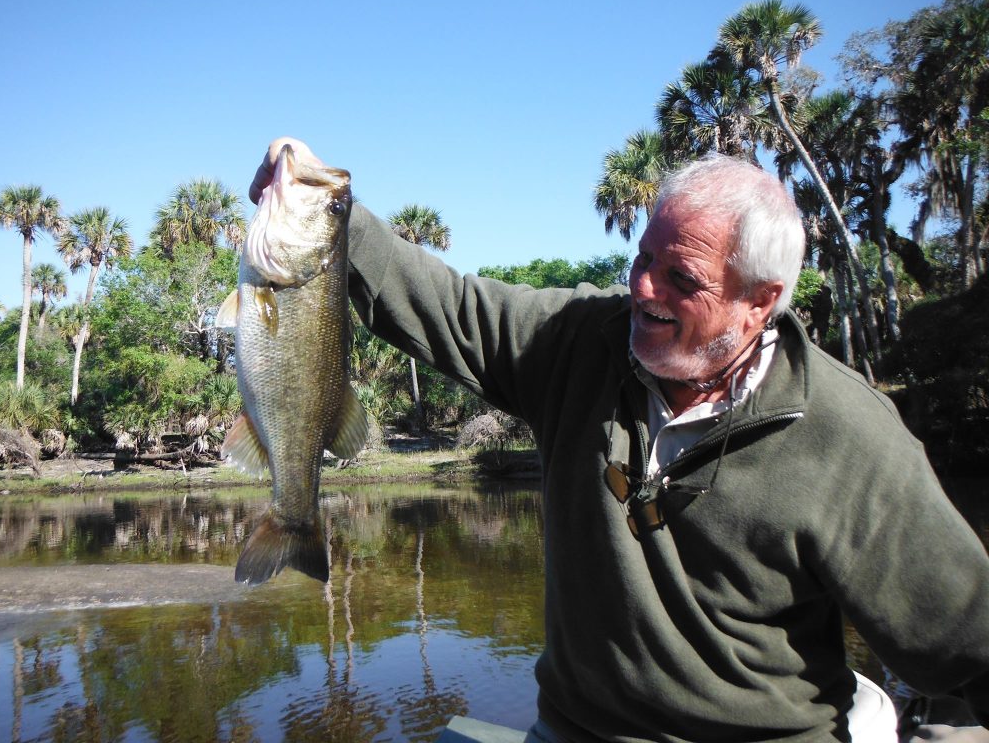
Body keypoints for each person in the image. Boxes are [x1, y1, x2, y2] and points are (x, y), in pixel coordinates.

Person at [250, 138, 989, 743]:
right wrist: (334, 216)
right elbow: (446, 305)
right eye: (643, 259)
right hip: (577, 732)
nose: (642, 289)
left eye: (680, 277)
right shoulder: (580, 343)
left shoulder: (846, 433)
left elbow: (967, 642)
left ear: (760, 301)